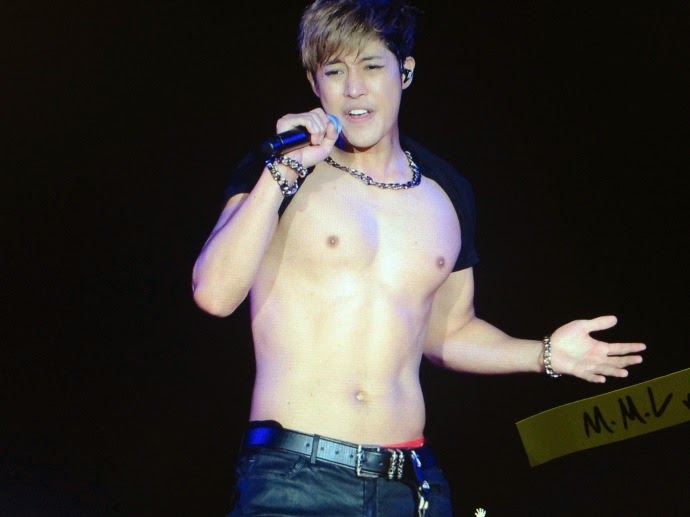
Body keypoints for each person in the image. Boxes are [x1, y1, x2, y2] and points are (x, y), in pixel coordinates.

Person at [192, 1, 646, 515]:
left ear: (405, 72)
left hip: (410, 483)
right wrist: (284, 170)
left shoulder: (446, 191)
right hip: (294, 477)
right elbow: (214, 294)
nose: (354, 88)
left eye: (371, 66)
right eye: (335, 71)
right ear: (314, 83)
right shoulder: (277, 170)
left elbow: (450, 332)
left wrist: (544, 354)